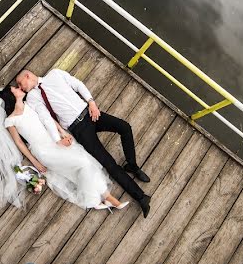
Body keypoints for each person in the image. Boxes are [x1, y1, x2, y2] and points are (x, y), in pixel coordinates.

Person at [0, 87, 128, 211]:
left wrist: (62, 133)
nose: (19, 88)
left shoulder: (29, 106)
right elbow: (19, 144)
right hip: (44, 151)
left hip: (56, 141)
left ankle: (107, 199)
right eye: (15, 89)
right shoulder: (10, 121)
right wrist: (35, 162)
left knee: (86, 164)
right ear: (11, 96)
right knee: (83, 164)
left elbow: (48, 120)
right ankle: (93, 200)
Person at [17, 68, 152, 217]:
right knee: (109, 164)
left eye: (19, 83)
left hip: (91, 113)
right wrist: (57, 139)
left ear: (27, 75)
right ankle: (141, 197)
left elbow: (77, 84)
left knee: (124, 127)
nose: (20, 87)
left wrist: (91, 102)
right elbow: (45, 117)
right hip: (79, 129)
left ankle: (132, 166)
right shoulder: (33, 97)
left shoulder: (55, 74)